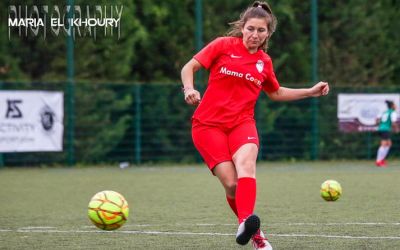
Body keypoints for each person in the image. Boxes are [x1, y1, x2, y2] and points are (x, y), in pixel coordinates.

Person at [181, 1, 329, 249]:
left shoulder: (264, 62)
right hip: (207, 125)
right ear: (242, 27)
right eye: (250, 29)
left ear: (268, 33)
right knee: (231, 184)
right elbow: (190, 66)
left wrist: (310, 92)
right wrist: (189, 89)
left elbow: (276, 92)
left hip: (242, 123)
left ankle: (251, 232)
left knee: (246, 164)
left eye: (261, 31)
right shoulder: (223, 45)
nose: (254, 35)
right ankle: (254, 230)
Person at [375, 100, 398, 167]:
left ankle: (381, 160)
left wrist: (379, 124)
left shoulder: (385, 112)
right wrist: (396, 129)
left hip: (382, 129)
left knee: (389, 144)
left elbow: (377, 120)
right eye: (395, 105)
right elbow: (393, 123)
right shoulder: (392, 112)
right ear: (392, 106)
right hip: (385, 129)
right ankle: (378, 161)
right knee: (384, 144)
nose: (396, 106)